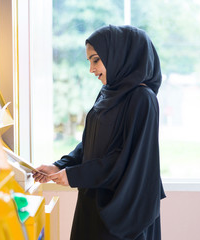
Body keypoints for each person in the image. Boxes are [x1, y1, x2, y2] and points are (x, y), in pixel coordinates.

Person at [33, 25, 166, 240]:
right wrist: (60, 165)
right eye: (89, 62)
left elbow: (128, 159)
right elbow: (89, 144)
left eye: (96, 60)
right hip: (93, 201)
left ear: (119, 55)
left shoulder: (142, 99)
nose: (91, 69)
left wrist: (75, 175)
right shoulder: (107, 93)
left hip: (123, 211)